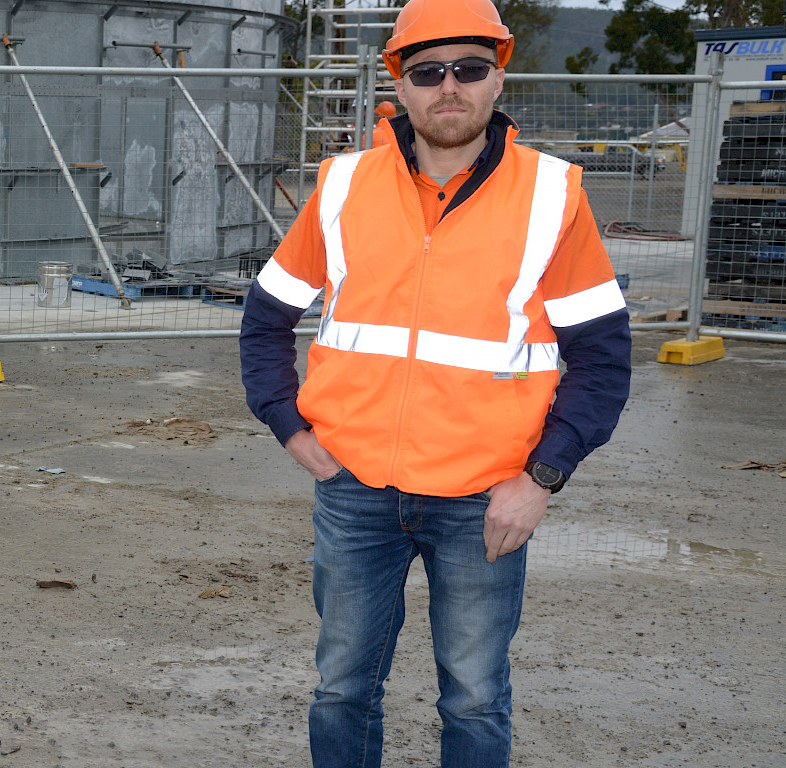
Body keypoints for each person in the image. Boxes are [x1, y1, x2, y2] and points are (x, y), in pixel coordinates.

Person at [237, 0, 632, 765]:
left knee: (476, 698)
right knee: (342, 690)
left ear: (497, 77)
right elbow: (263, 319)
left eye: (469, 68)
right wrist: (286, 422)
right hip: (355, 493)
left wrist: (542, 478)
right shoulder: (345, 186)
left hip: (485, 500)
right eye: (428, 72)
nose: (449, 87)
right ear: (401, 84)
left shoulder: (554, 196)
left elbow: (604, 360)